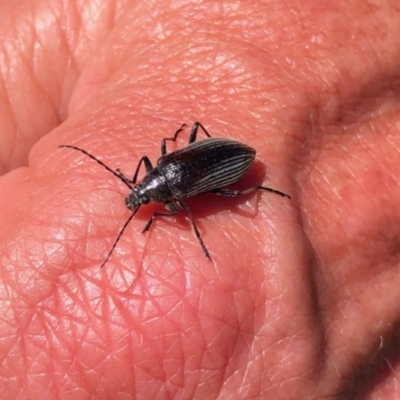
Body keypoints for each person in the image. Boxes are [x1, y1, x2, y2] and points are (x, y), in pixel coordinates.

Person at [0, 0, 398, 398]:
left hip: (230, 160)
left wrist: (184, 231)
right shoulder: (162, 171)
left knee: (234, 192)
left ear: (151, 180)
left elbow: (180, 210)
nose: (137, 196)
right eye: (141, 194)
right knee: (196, 171)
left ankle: (264, 189)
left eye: (139, 194)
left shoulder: (176, 197)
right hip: (207, 159)